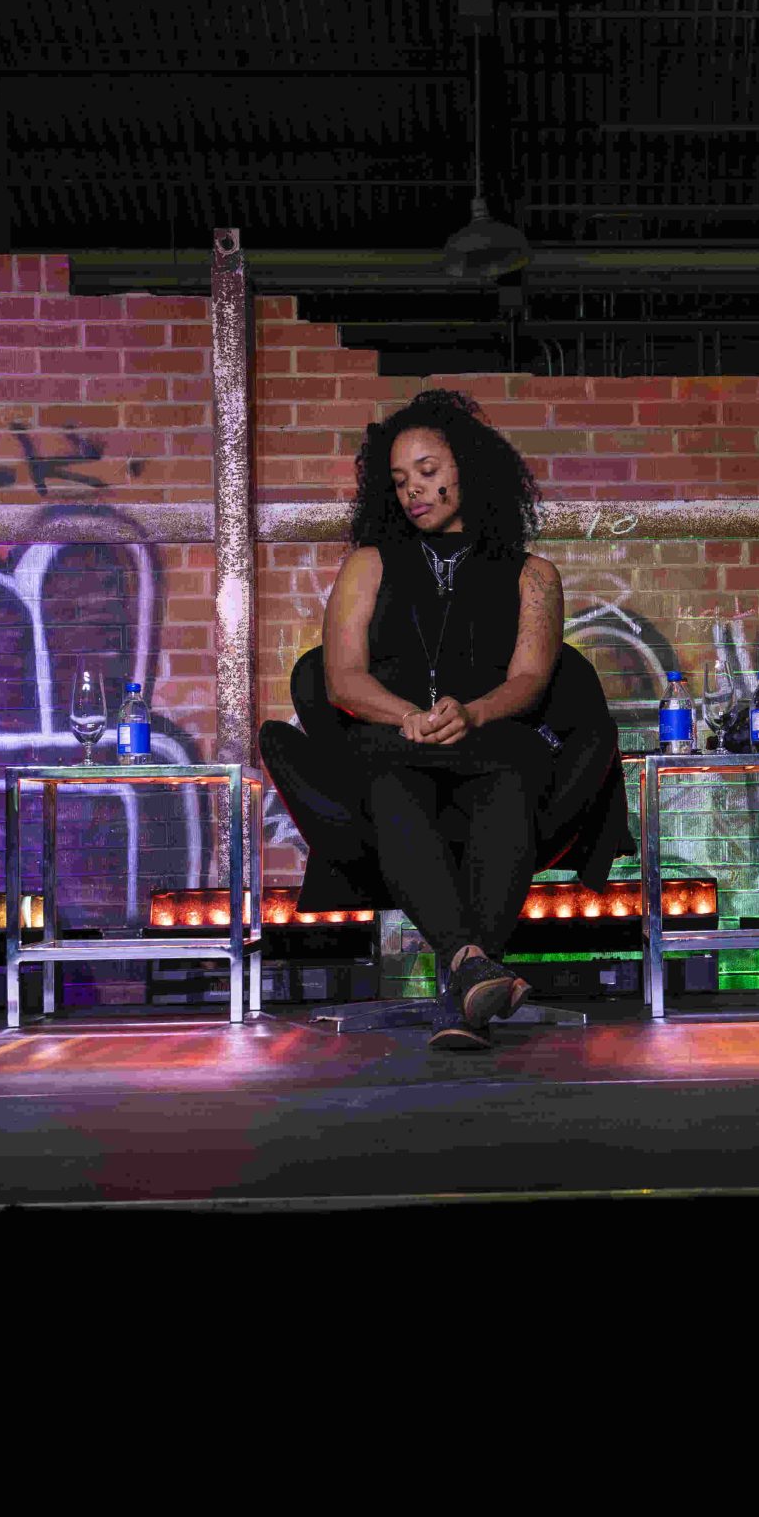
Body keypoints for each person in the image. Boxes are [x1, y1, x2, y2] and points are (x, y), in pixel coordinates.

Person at [320, 390, 565, 1051]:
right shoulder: (367, 564)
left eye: (428, 472)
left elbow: (531, 677)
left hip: (490, 746)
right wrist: (409, 717)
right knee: (388, 783)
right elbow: (341, 676)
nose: (414, 492)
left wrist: (472, 712)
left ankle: (463, 982)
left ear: (472, 467)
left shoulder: (533, 575)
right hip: (393, 745)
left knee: (513, 778)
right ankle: (472, 969)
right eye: (400, 481)